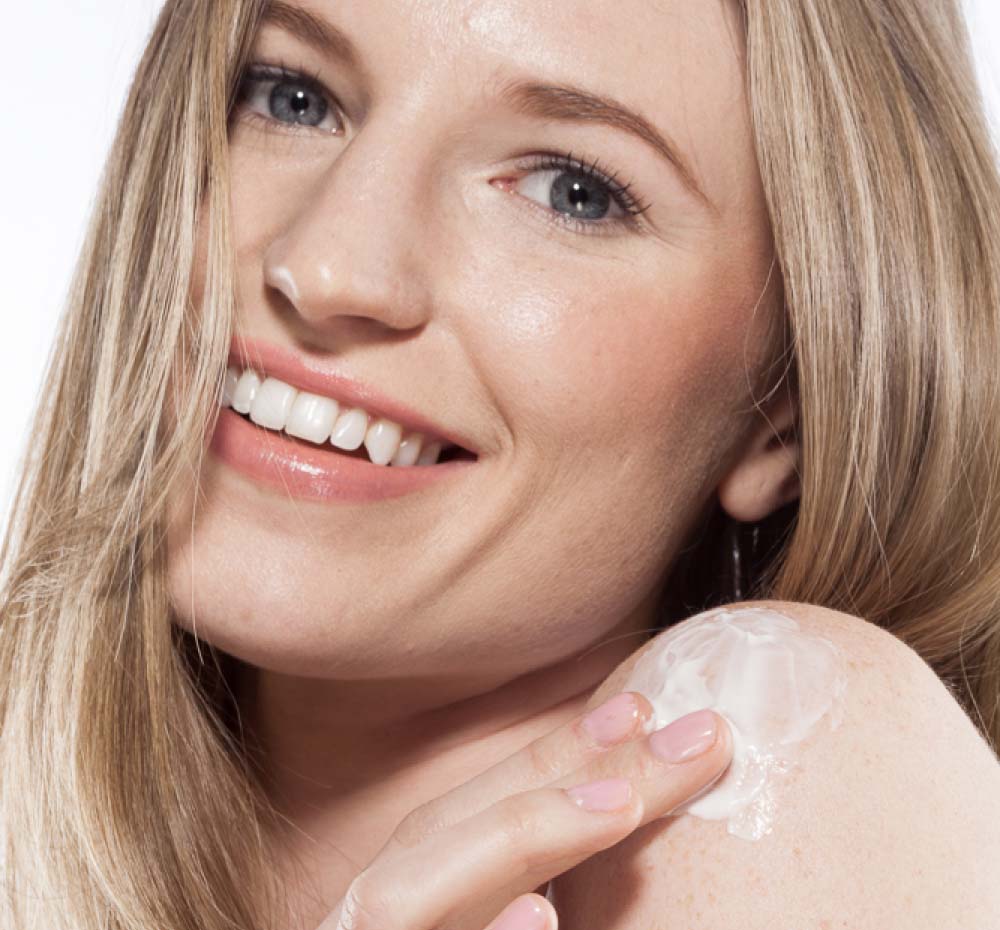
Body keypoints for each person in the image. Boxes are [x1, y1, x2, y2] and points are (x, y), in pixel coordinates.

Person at [1, 0, 999, 928]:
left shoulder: (784, 751)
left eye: (573, 191)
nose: (327, 267)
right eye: (293, 98)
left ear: (780, 416)